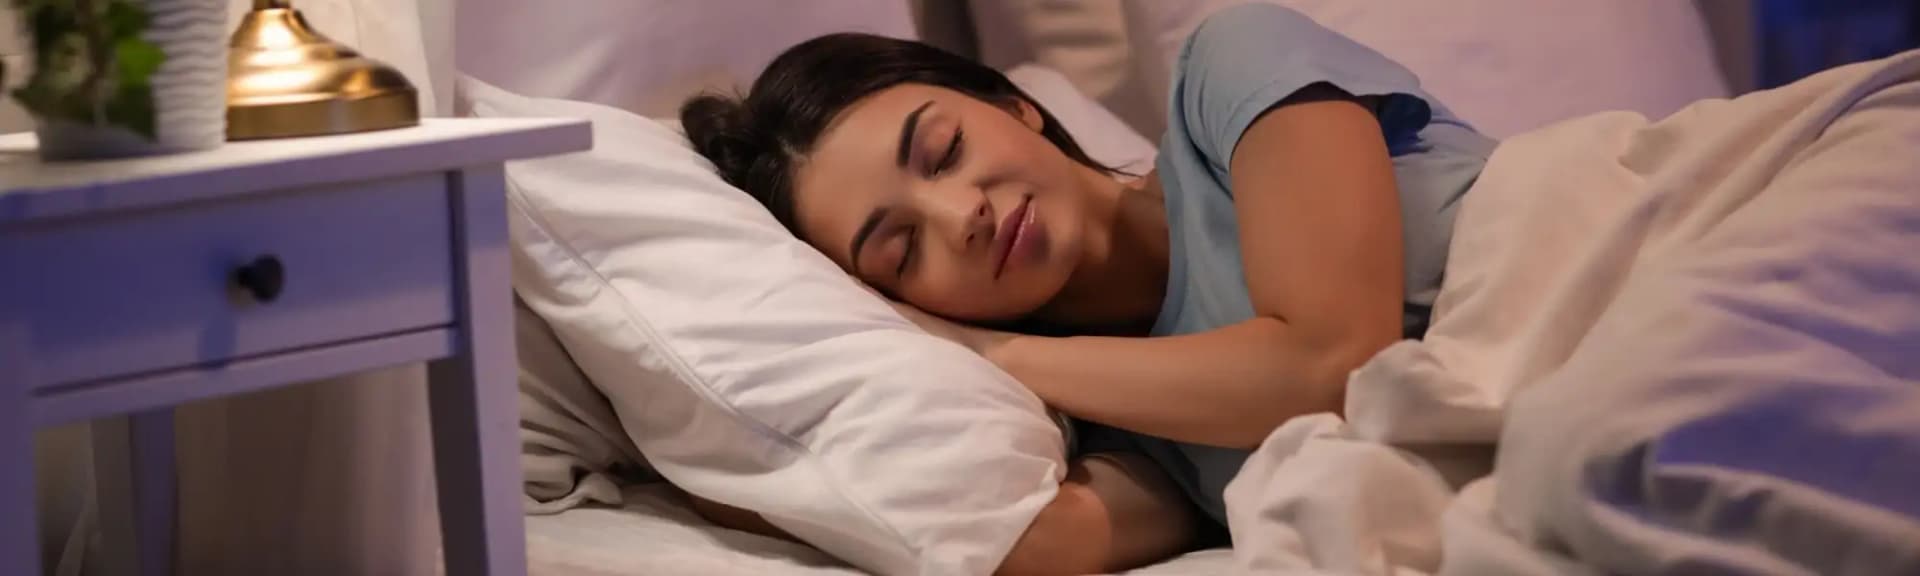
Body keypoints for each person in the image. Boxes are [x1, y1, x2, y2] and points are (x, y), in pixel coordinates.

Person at [680, 3, 1494, 574]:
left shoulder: (1235, 69)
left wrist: (987, 349)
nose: (962, 216)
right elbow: (1024, 542)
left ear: (1014, 107)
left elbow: (1334, 364)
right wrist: (705, 467)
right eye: (903, 248)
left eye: (945, 151)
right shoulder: (1118, 428)